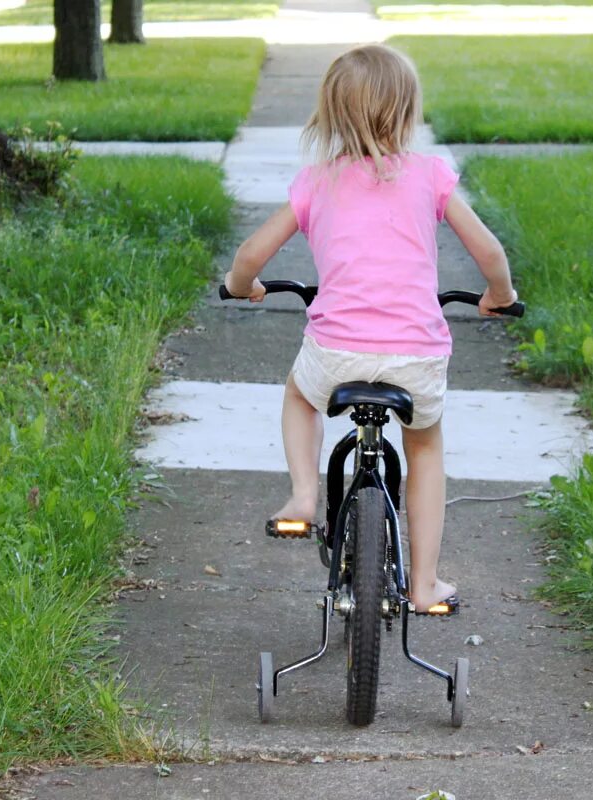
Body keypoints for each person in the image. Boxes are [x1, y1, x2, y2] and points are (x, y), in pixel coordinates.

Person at [223, 44, 517, 614]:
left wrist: (243, 286)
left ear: (330, 115)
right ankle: (425, 583)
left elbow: (251, 253)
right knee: (425, 445)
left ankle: (305, 494)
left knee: (300, 395)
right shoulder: (431, 177)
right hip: (416, 358)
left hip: (335, 352)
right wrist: (499, 297)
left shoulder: (316, 182)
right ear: (408, 114)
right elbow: (490, 251)